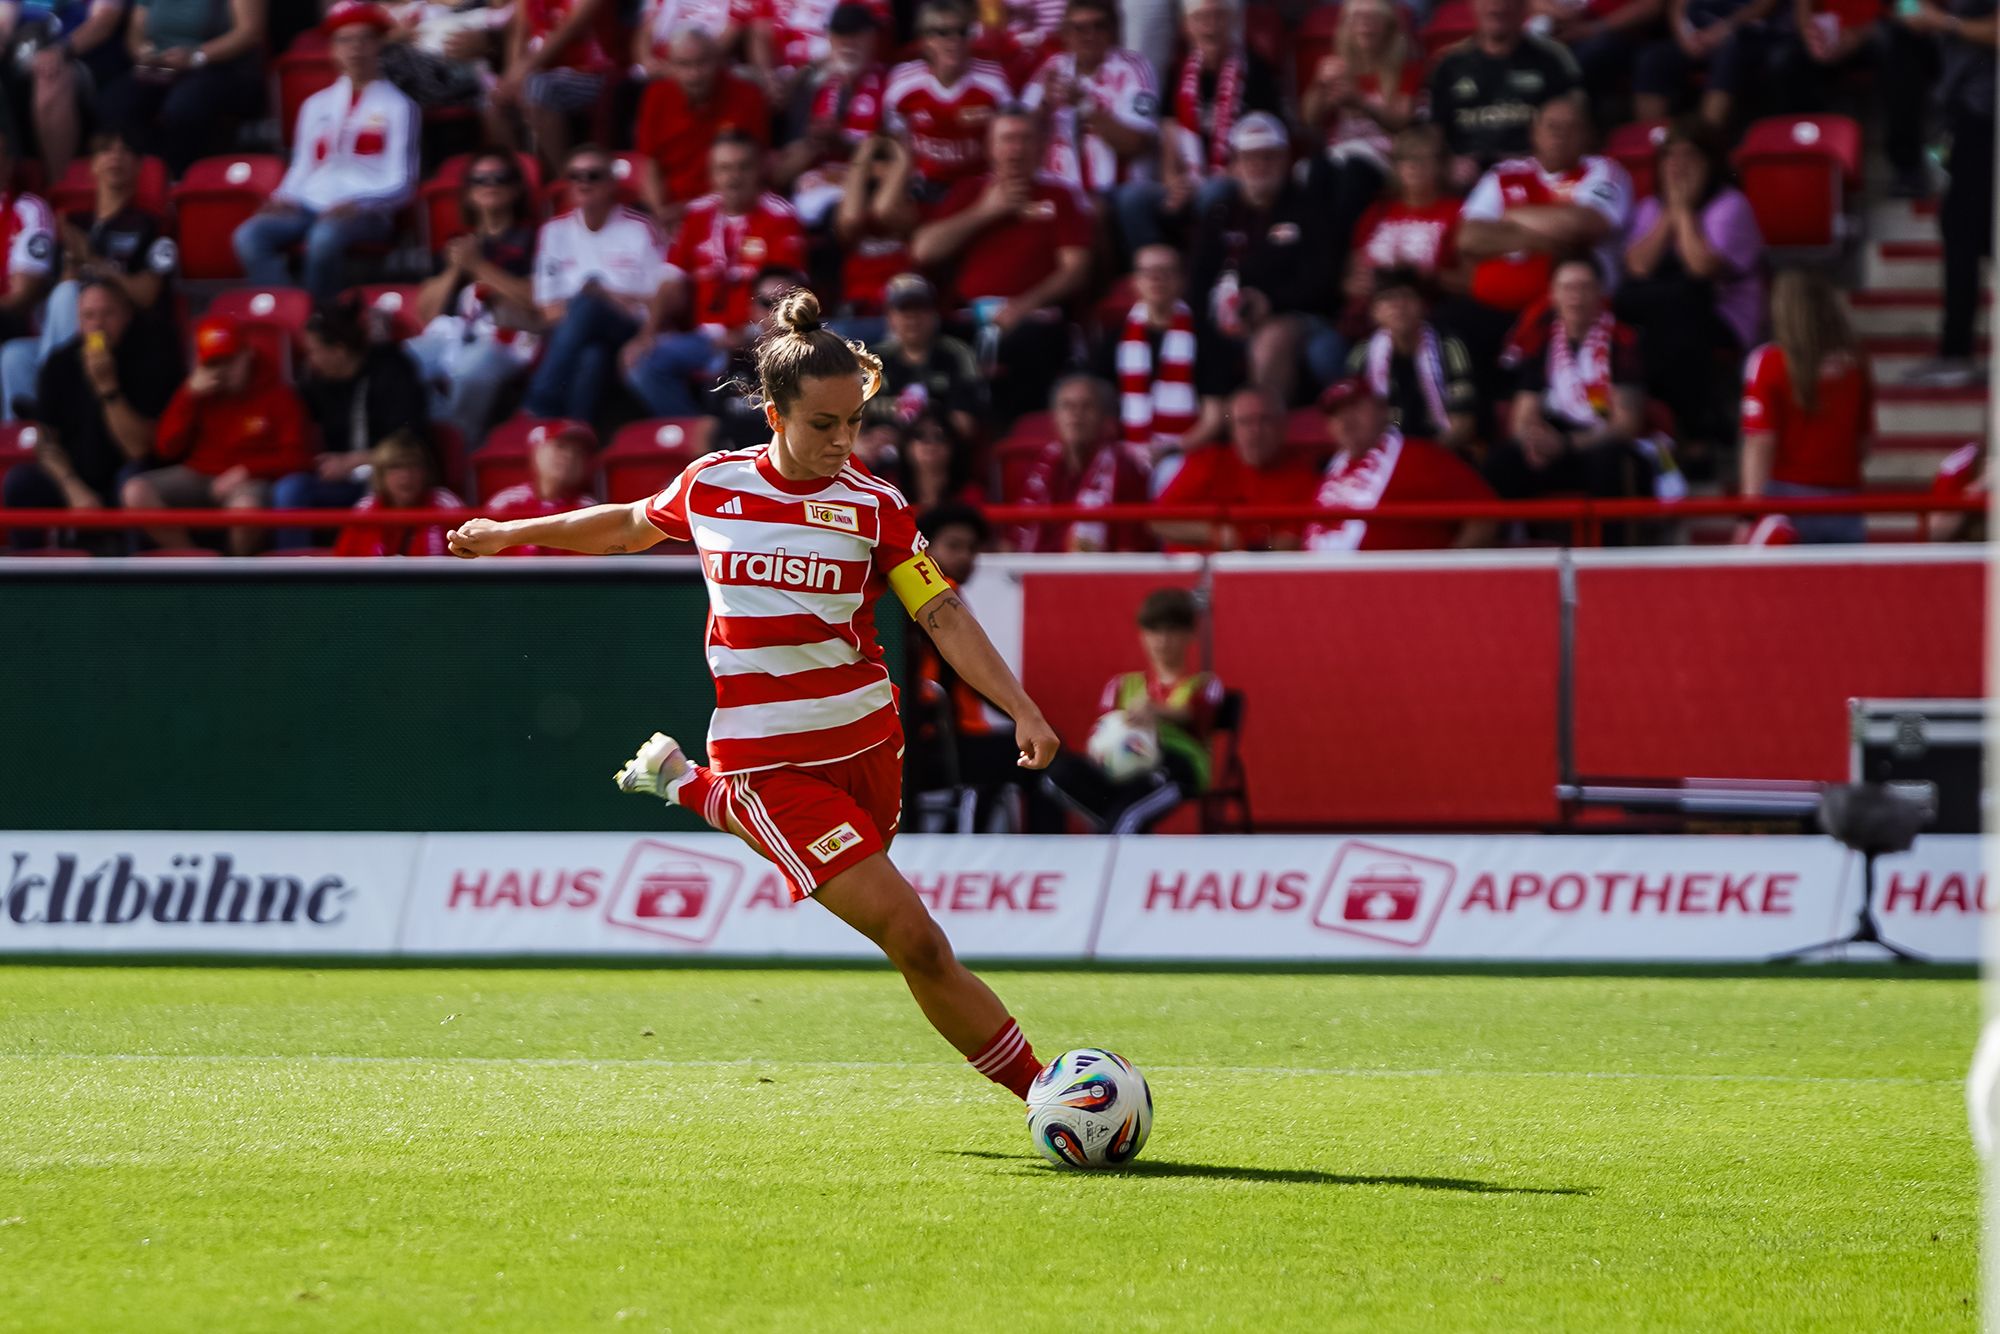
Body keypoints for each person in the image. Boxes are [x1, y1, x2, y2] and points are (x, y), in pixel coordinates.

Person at [443, 287, 1064, 1108]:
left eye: (855, 424)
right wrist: (510, 534)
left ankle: (686, 782)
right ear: (773, 412)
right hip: (771, 760)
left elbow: (939, 610)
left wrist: (1020, 704)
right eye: (824, 425)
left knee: (898, 921)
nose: (844, 442)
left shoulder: (874, 508)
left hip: (869, 743)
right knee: (915, 939)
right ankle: (1048, 1096)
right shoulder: (713, 487)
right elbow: (629, 523)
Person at [910, 107, 1093, 426]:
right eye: (1008, 140)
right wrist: (987, 211)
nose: (1016, 149)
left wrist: (1024, 305)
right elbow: (923, 250)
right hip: (967, 319)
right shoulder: (969, 192)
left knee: (1025, 346)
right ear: (991, 147)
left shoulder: (1059, 196)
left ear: (1039, 147)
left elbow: (1076, 269)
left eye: (1025, 139)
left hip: (1033, 319)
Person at [233, 4, 418, 301]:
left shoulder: (400, 106)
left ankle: (322, 320)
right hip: (311, 204)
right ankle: (292, 312)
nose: (355, 48)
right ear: (332, 49)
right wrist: (283, 197)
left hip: (367, 210)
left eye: (364, 39)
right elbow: (302, 166)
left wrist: (360, 202)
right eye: (345, 40)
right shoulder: (315, 105)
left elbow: (404, 181)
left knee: (324, 238)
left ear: (378, 45)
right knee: (250, 235)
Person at [627, 132, 806, 418]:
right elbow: (670, 283)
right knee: (640, 363)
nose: (733, 177)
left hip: (756, 340)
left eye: (742, 167)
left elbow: (786, 296)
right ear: (712, 174)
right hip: (704, 339)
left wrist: (747, 333)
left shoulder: (779, 216)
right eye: (724, 169)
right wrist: (647, 335)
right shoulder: (697, 215)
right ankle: (701, 434)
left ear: (759, 169)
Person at [1617, 117, 1763, 464]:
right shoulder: (1651, 207)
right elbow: (1638, 266)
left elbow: (1701, 268)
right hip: (1670, 322)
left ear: (1710, 163)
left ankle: (1693, 431)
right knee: (1636, 308)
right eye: (1670, 157)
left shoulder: (1731, 205)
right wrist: (1669, 210)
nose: (1678, 166)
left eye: (1689, 157)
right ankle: (1687, 429)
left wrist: (1682, 210)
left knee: (1684, 303)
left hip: (1726, 318)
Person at [0, 127, 171, 421]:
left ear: (140, 166)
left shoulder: (152, 225)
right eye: (105, 150)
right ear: (92, 165)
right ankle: (21, 444)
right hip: (75, 337)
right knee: (14, 356)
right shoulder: (78, 223)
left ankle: (55, 403)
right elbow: (63, 285)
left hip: (122, 340)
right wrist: (74, 263)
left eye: (125, 150)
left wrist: (94, 261)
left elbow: (147, 295)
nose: (115, 157)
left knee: (70, 296)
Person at [1, 276, 180, 549]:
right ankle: (29, 577)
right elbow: (47, 442)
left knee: (132, 480)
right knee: (21, 482)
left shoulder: (152, 355)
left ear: (127, 315)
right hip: (78, 476)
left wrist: (107, 387)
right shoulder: (59, 362)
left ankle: (136, 575)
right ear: (78, 321)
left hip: (128, 472)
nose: (98, 324)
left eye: (108, 314)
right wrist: (73, 489)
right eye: (89, 316)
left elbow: (139, 449)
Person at [1187, 112, 1346, 406]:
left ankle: (1265, 426)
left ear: (1286, 160)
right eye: (1250, 158)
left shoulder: (1310, 209)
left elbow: (1325, 280)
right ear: (1234, 165)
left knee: (1272, 339)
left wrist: (1270, 302)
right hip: (1227, 315)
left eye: (1269, 157)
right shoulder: (1220, 214)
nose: (1259, 166)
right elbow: (1199, 278)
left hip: (1299, 316)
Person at [1041, 587, 1223, 835]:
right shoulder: (1122, 685)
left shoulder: (1203, 684)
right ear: (1142, 635)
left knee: (1128, 814)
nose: (1163, 640)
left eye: (1172, 630)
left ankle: (1114, 848)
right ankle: (1116, 834)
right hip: (1122, 766)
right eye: (1154, 630)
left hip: (1177, 767)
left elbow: (1200, 715)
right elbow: (1104, 729)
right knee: (1059, 774)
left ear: (1190, 635)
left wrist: (1157, 712)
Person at [125, 314, 311, 555]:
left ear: (248, 354)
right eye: (213, 363)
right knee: (135, 491)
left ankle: (232, 575)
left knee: (245, 511)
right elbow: (166, 447)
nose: (221, 371)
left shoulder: (279, 394)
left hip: (250, 480)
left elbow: (299, 458)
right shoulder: (199, 393)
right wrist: (187, 395)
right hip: (200, 473)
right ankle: (197, 564)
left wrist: (247, 470)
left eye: (230, 361)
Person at [1487, 254, 1652, 506]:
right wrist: (1534, 442)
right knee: (1502, 461)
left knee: (1608, 461)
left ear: (1600, 293)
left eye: (1584, 287)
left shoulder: (1622, 341)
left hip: (1599, 441)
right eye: (1567, 288)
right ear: (1552, 294)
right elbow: (1522, 414)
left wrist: (1567, 444)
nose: (1575, 297)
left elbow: (1626, 424)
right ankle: (1512, 543)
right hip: (1552, 439)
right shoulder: (1540, 340)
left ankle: (1609, 546)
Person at [1117, 0, 1282, 252]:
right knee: (1132, 199)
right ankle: (1158, 266)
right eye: (1201, 20)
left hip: (1234, 179)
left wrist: (1220, 177)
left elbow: (1267, 140)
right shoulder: (1179, 73)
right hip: (1190, 178)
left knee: (1214, 193)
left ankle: (1203, 273)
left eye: (1218, 18)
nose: (1210, 27)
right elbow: (1169, 129)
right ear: (1186, 28)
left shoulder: (1254, 70)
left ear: (1233, 23)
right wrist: (1173, 181)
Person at [522, 144, 669, 424]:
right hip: (575, 335)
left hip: (628, 329)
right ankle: (577, 433)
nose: (583, 183)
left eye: (593, 176)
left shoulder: (639, 228)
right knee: (592, 355)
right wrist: (596, 301)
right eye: (575, 176)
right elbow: (546, 309)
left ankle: (538, 405)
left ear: (612, 183)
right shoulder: (553, 232)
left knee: (590, 303)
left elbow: (657, 302)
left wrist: (603, 297)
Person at [406, 148, 542, 449]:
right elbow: (426, 312)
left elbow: (537, 300)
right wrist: (456, 269)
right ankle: (435, 435)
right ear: (468, 193)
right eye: (480, 180)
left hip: (509, 337)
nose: (490, 185)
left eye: (500, 178)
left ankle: (459, 449)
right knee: (399, 361)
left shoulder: (532, 239)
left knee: (469, 370)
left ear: (517, 189)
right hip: (454, 334)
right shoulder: (458, 244)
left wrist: (479, 266)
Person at [1457, 94, 1632, 321]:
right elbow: (1468, 237)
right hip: (1492, 309)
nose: (1559, 133)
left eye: (1571, 127)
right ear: (1534, 132)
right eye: (1552, 125)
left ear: (1587, 134)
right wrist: (1545, 240)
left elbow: (1580, 225)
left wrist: (1508, 216)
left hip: (1571, 311)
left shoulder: (1603, 170)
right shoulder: (1504, 173)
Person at [277, 295, 430, 543]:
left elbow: (410, 441)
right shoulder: (317, 382)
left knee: (384, 487)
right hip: (342, 482)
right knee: (292, 490)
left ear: (338, 350)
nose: (310, 360)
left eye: (314, 351)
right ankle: (294, 573)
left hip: (388, 476)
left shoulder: (393, 372)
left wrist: (351, 461)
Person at [1899, 0, 1996, 387]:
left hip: (1987, 116)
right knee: (1961, 229)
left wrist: (1944, 22)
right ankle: (1955, 350)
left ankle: (1956, 352)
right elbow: (1905, 10)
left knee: (1964, 232)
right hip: (1958, 112)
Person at [1739, 269, 1872, 543]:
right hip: (1845, 501)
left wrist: (1748, 517)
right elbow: (1865, 443)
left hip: (1784, 504)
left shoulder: (1769, 363)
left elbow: (1760, 443)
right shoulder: (1857, 365)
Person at [1305, 377, 1498, 551]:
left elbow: (1484, 516)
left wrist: (1448, 573)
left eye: (1355, 407)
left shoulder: (1422, 456)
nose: (1346, 421)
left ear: (1382, 410)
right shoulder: (1326, 471)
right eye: (1336, 415)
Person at [1095, 242, 1229, 467]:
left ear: (1181, 280)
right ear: (1134, 282)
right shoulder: (1114, 340)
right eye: (1148, 272)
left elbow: (1215, 416)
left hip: (1185, 455)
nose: (1157, 279)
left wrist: (1171, 450)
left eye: (1166, 272)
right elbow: (1103, 409)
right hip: (1126, 455)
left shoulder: (1205, 339)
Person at [99, 0, 264, 174]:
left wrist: (196, 57)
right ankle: (148, 178)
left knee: (184, 107)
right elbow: (135, 31)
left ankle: (182, 179)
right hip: (161, 67)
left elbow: (249, 32)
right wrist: (143, 52)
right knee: (115, 103)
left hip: (221, 67)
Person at [1427, 0, 1582, 186]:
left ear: (1524, 7)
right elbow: (1432, 131)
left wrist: (1535, 160)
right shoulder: (1449, 63)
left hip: (1535, 175)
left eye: (1506, 1)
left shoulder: (1553, 59)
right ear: (1473, 5)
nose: (1497, 6)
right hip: (1464, 179)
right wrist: (1448, 163)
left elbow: (1574, 123)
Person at [1019, 0, 1159, 199]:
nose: (1089, 36)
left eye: (1099, 26)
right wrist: (1043, 106)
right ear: (1065, 34)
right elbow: (1021, 134)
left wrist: (1085, 106)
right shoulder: (1051, 69)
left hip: (1117, 195)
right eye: (1079, 28)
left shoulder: (1134, 68)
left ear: (1112, 30)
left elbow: (1136, 143)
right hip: (1060, 193)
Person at [1152, 386, 1319, 550]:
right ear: (1232, 429)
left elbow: (1289, 544)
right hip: (1189, 571)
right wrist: (1215, 534)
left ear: (1283, 426)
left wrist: (1246, 543)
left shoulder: (1302, 475)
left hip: (1257, 573)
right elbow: (1157, 521)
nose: (1255, 431)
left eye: (1265, 420)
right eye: (1245, 422)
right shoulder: (1207, 461)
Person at [634, 26, 770, 224]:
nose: (694, 74)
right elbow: (649, 165)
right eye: (684, 65)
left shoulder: (747, 96)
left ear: (718, 60)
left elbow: (751, 168)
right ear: (669, 66)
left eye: (702, 63)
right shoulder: (656, 96)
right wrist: (660, 212)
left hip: (727, 211)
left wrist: (690, 212)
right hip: (666, 212)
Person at [882, 0, 1015, 203]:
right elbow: (896, 137)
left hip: (978, 186)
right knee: (885, 209)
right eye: (943, 32)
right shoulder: (902, 82)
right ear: (925, 39)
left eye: (961, 31)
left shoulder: (993, 81)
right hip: (923, 186)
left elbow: (1011, 136)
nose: (954, 40)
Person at [770, 2, 886, 224]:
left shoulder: (891, 83)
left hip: (865, 189)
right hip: (813, 192)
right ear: (830, 40)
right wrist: (815, 144)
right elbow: (784, 168)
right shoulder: (812, 88)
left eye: (857, 36)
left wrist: (841, 144)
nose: (848, 44)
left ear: (872, 38)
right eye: (841, 35)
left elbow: (894, 156)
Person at [1345, 267, 1480, 456]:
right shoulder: (1362, 354)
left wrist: (1421, 458)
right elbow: (1355, 421)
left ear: (1423, 306)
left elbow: (1463, 424)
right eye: (1387, 298)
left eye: (1407, 296)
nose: (1398, 305)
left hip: (1442, 450)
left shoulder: (1448, 345)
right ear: (1374, 313)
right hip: (1387, 453)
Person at [1010, 372, 1151, 552]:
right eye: (1067, 406)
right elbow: (1014, 539)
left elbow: (1131, 549)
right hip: (1037, 571)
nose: (1076, 416)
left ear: (1106, 420)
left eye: (1087, 406)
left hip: (1097, 574)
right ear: (1054, 418)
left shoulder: (1126, 471)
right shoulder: (1038, 468)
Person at [1346, 124, 1467, 307]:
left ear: (1441, 166)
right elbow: (1353, 270)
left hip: (1429, 307)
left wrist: (1422, 274)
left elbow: (1468, 282)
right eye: (1406, 159)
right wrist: (1352, 284)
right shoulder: (1377, 210)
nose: (1413, 166)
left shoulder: (1458, 211)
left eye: (1423, 159)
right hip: (1372, 310)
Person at [492, 0, 616, 172]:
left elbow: (571, 28)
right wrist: (511, 76)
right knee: (492, 98)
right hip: (537, 71)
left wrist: (523, 71)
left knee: (539, 87)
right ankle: (518, 179)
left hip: (589, 72)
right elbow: (519, 30)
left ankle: (564, 180)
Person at [1302, 0, 1422, 177]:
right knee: (1315, 169)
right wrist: (1319, 87)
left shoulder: (1406, 69)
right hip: (1339, 152)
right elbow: (1309, 120)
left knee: (1354, 171)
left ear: (1389, 26)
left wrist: (1360, 102)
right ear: (1346, 26)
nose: (1365, 24)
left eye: (1374, 17)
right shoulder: (1337, 67)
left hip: (1384, 157)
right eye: (1357, 17)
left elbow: (1402, 123)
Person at [861, 272, 981, 442]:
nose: (912, 317)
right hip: (880, 455)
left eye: (920, 307)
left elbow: (964, 426)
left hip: (938, 451)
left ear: (934, 313)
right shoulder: (871, 359)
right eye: (903, 309)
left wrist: (905, 441)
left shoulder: (957, 354)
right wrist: (864, 443)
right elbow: (852, 421)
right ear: (890, 317)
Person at [1633, 0, 1783, 129]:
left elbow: (1766, 5)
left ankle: (1705, 140)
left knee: (1730, 52)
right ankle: (1653, 142)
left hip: (1744, 32)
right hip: (1696, 37)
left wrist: (1724, 29)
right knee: (1654, 57)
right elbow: (1677, 6)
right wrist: (1685, 37)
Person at [831, 133, 918, 334]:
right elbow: (850, 221)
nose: (879, 167)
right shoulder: (851, 209)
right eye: (875, 160)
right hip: (856, 313)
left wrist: (903, 159)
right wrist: (862, 155)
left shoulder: (912, 207)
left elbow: (884, 211)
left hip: (900, 312)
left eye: (888, 161)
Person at [333, 429, 464, 556]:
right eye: (395, 467)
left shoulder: (447, 507)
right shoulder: (364, 512)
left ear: (426, 472)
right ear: (381, 474)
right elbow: (343, 567)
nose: (405, 475)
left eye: (413, 466)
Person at [485, 418, 600, 554]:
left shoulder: (588, 509)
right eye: (560, 446)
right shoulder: (505, 503)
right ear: (536, 452)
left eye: (578, 452)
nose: (569, 456)